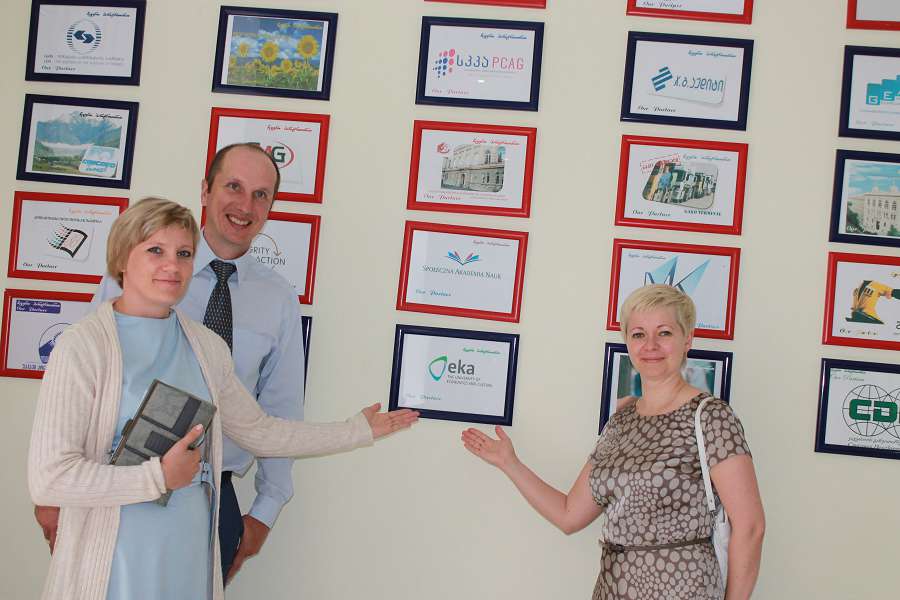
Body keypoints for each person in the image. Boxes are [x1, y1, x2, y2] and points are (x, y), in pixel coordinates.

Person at [27, 197, 418, 600]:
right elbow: (50, 477)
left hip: (188, 547)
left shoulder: (206, 347)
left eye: (183, 254)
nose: (172, 265)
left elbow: (261, 431)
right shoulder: (82, 346)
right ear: (122, 257)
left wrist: (356, 430)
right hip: (115, 554)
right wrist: (158, 477)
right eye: (156, 250)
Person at [35, 143, 304, 583]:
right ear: (205, 190)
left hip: (211, 494)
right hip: (112, 493)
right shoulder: (139, 268)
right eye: (233, 187)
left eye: (261, 194)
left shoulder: (278, 299)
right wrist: (53, 497)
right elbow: (82, 383)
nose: (245, 206)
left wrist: (266, 510)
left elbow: (280, 410)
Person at [461, 284, 764, 600]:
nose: (650, 345)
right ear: (627, 342)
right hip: (612, 590)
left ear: (687, 339)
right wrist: (510, 463)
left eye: (664, 333)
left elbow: (751, 527)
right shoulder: (620, 423)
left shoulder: (711, 416)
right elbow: (569, 515)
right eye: (638, 334)